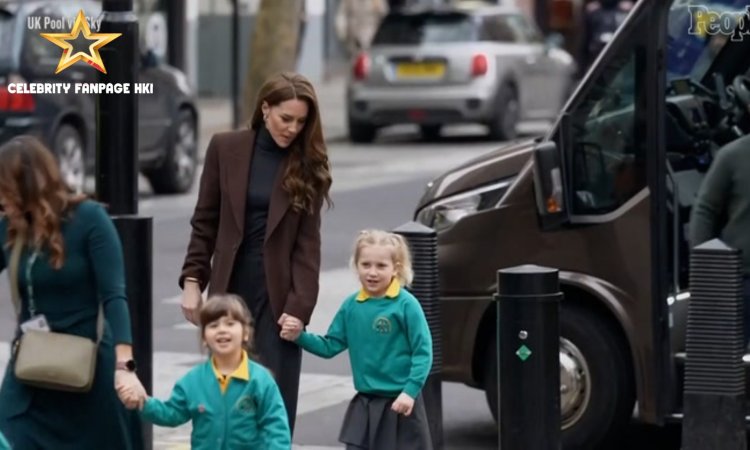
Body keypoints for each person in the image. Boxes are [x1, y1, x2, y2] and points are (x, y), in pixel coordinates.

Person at [179, 71, 333, 432]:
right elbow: (205, 221)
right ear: (265, 109)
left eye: (300, 121)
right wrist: (192, 280)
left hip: (278, 298)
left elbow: (308, 247)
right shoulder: (225, 148)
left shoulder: (309, 164)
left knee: (274, 401)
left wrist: (300, 309)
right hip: (230, 290)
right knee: (226, 396)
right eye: (285, 118)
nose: (292, 129)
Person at [0, 136, 145, 449]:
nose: (1, 200)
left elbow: (115, 297)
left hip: (89, 366)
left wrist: (125, 368)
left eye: (5, 189)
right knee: (8, 435)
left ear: (28, 185)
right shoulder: (9, 227)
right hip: (30, 366)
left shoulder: (90, 219)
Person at [281, 229, 433, 449]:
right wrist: (299, 336)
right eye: (366, 264)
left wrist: (410, 392)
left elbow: (423, 352)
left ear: (395, 269)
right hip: (365, 404)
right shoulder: (351, 306)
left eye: (381, 266)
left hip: (401, 404)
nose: (372, 272)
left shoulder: (406, 304)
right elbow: (330, 346)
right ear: (356, 265)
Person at [137, 294, 290, 449]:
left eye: (230, 324)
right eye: (214, 325)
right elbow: (171, 413)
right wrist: (143, 403)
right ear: (204, 338)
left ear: (245, 334)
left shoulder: (260, 380)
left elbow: (276, 427)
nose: (222, 330)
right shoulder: (193, 381)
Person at [689, 134, 750, 343]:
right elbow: (705, 210)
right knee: (731, 361)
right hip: (741, 279)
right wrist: (705, 269)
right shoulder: (732, 155)